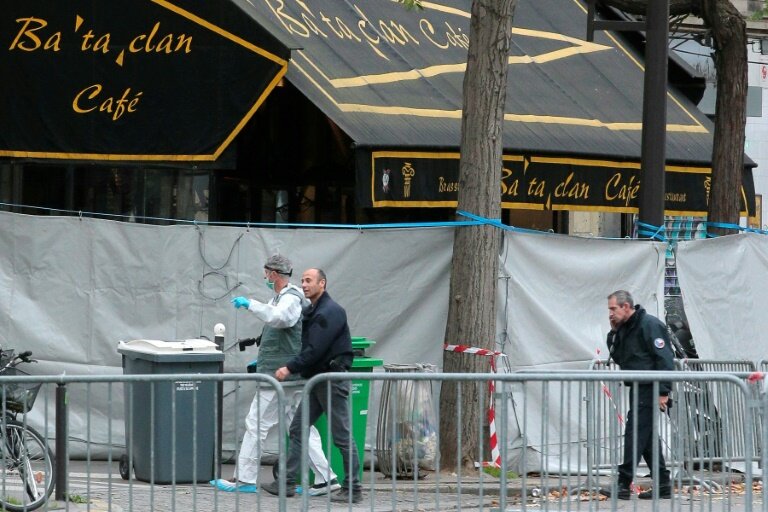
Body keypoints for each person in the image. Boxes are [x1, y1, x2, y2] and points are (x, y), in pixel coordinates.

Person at [210, 255, 340, 496]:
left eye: (266, 273)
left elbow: (280, 318)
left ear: (272, 274)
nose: (265, 277)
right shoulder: (282, 298)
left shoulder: (289, 298)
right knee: (302, 427)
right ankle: (326, 478)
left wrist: (250, 304)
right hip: (287, 374)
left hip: (281, 377)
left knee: (256, 423)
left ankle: (245, 478)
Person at [261, 268, 363, 504]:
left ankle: (353, 488)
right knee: (298, 428)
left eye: (308, 281)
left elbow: (314, 349)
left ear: (322, 283)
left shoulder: (330, 311)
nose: (304, 285)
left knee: (342, 436)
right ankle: (286, 483)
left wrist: (289, 367)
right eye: (302, 281)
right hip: (318, 380)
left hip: (330, 380)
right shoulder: (315, 311)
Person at [605, 290, 675, 500]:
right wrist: (613, 333)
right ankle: (663, 484)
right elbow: (619, 357)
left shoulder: (649, 325)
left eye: (613, 309)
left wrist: (663, 391)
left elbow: (664, 359)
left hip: (650, 387)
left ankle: (623, 483)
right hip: (638, 387)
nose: (610, 314)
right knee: (646, 438)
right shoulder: (625, 328)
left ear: (626, 306)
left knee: (634, 434)